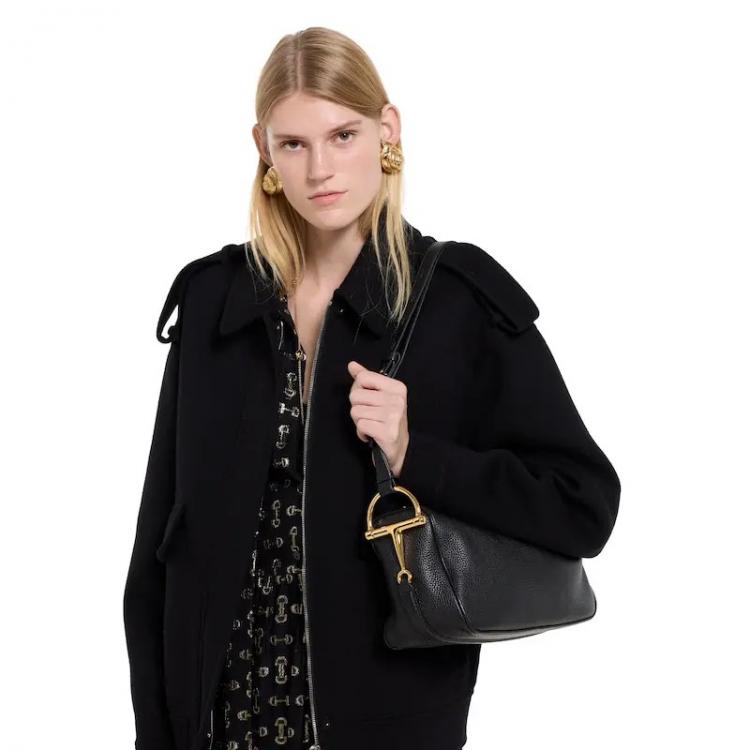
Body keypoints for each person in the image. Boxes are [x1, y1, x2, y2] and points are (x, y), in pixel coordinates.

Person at [123, 26, 621, 750]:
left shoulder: (455, 301)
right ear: (263, 149)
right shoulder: (216, 304)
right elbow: (157, 553)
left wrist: (416, 454)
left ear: (387, 129)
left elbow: (583, 508)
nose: (320, 168)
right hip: (219, 725)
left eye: (343, 135)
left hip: (387, 727)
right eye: (293, 144)